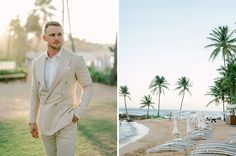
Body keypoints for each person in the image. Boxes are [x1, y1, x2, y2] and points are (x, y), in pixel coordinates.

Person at [28, 21, 93, 156]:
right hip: (45, 121)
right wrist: (32, 120)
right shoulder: (37, 62)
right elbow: (34, 92)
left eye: (60, 34)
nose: (57, 38)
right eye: (52, 35)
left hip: (66, 120)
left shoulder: (75, 59)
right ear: (44, 38)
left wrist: (78, 113)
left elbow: (88, 86)